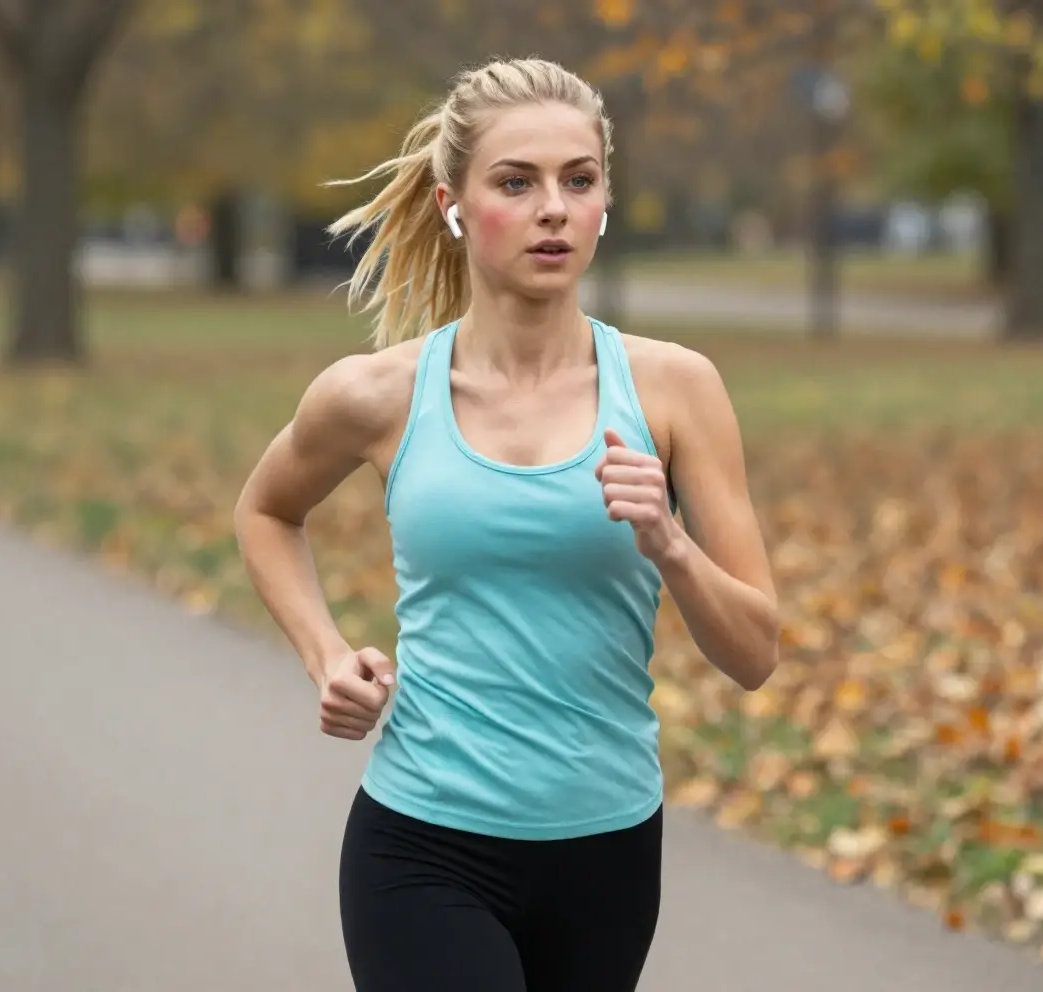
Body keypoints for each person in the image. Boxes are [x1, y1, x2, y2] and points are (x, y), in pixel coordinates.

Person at [232, 57, 781, 992]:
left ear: (607, 201)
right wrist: (326, 655)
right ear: (453, 204)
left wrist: (671, 545)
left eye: (579, 180)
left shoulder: (675, 389)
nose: (554, 209)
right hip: (423, 843)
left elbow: (756, 653)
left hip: (607, 847)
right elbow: (266, 510)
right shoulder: (376, 394)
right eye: (516, 183)